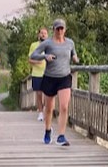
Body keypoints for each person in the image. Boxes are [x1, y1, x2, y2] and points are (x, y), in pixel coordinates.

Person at [30, 18, 79, 146]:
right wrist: (44, 56)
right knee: (49, 108)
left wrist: (75, 57)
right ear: (53, 29)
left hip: (64, 77)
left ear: (65, 29)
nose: (60, 30)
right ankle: (47, 130)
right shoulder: (48, 43)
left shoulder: (70, 43)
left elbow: (73, 53)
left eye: (62, 28)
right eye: (57, 28)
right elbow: (33, 55)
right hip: (50, 77)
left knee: (64, 106)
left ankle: (61, 136)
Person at [28, 27, 49, 121]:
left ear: (48, 35)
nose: (43, 34)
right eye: (41, 33)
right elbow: (29, 60)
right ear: (38, 35)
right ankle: (40, 112)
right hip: (37, 73)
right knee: (39, 93)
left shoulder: (50, 45)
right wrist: (37, 62)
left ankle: (46, 110)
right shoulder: (34, 45)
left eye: (45, 33)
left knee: (47, 93)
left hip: (48, 73)